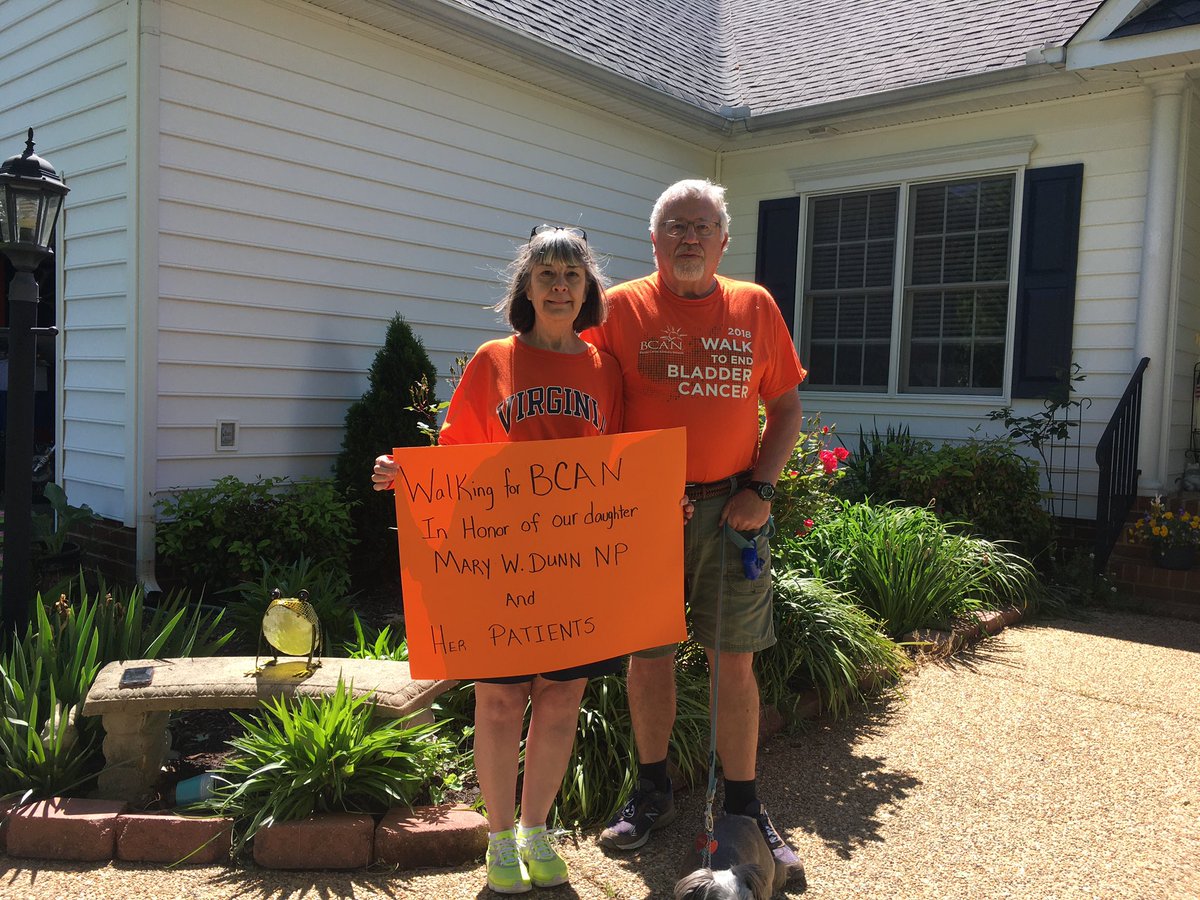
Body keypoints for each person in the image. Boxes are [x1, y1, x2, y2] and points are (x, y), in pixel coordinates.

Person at [372, 225, 622, 895]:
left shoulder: (605, 369)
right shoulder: (493, 361)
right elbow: (456, 454)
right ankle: (499, 838)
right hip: (504, 565)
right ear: (527, 287)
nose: (561, 286)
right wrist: (406, 471)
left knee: (562, 699)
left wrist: (660, 507)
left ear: (587, 288)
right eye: (547, 275)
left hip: (577, 565)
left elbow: (622, 467)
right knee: (501, 701)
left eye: (572, 275)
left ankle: (537, 831)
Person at [585, 179, 807, 881]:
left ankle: (743, 807)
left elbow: (787, 408)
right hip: (644, 508)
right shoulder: (617, 310)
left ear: (722, 241)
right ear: (654, 241)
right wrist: (628, 490)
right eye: (675, 227)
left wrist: (761, 490)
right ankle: (652, 791)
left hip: (734, 508)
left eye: (701, 227)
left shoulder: (755, 306)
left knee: (732, 658)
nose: (688, 238)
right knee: (647, 657)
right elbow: (588, 407)